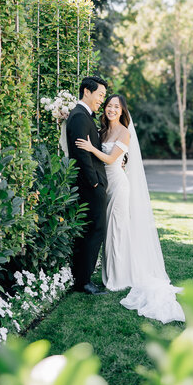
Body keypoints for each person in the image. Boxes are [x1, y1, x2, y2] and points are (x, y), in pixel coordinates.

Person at [76, 94, 185, 324]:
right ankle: (112, 272)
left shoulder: (124, 132)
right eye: (109, 106)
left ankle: (119, 277)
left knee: (117, 229)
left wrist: (89, 148)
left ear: (123, 111)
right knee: (107, 230)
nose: (111, 109)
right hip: (105, 187)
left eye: (116, 107)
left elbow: (110, 159)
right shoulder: (102, 131)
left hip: (118, 186)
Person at [66, 75, 108, 295]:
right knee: (95, 230)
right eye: (100, 94)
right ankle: (84, 281)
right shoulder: (80, 117)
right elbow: (81, 155)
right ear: (87, 92)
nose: (102, 99)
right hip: (90, 186)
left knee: (92, 231)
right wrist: (94, 183)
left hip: (91, 185)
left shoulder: (82, 115)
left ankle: (81, 277)